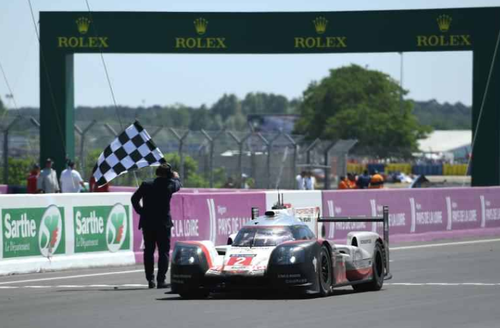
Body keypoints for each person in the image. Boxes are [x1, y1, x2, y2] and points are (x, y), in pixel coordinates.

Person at [131, 163, 181, 289]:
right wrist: (176, 177)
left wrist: (141, 211)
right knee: (163, 252)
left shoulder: (146, 184)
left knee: (149, 250)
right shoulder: (170, 184)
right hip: (163, 223)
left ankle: (150, 279)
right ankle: (161, 280)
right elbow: (178, 184)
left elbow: (134, 199)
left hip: (148, 222)